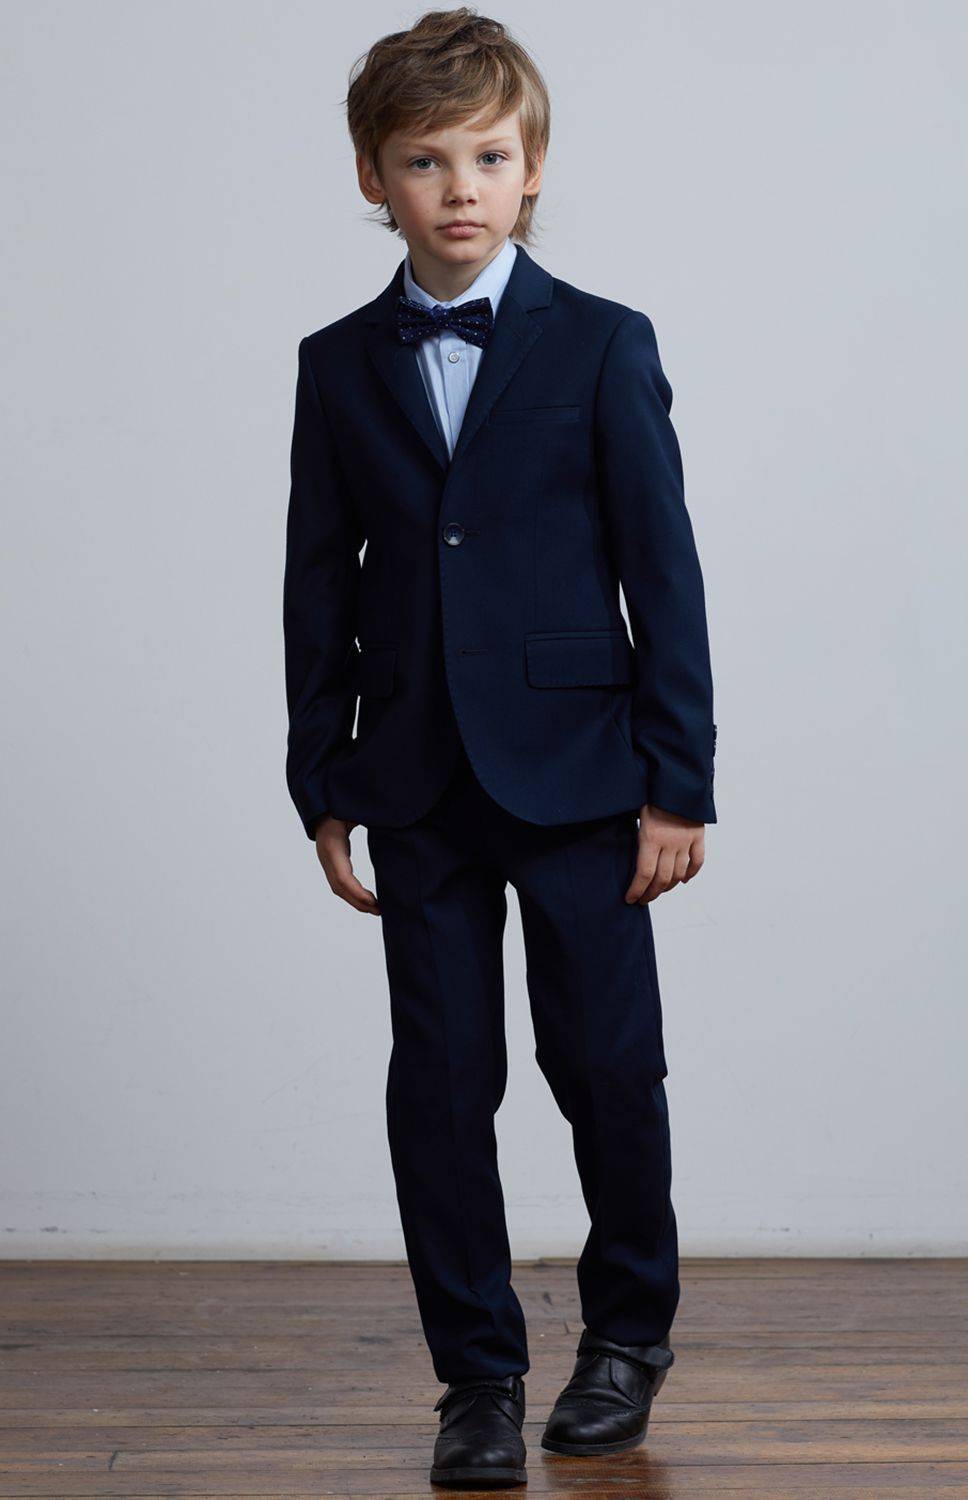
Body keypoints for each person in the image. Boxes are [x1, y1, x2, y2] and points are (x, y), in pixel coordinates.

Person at [282, 7, 717, 1488]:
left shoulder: (601, 343)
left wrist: (678, 779)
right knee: (441, 1079)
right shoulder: (339, 365)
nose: (458, 186)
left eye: (486, 157)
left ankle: (628, 1342)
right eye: (425, 160)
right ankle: (475, 1376)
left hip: (586, 776)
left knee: (608, 1066)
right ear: (374, 177)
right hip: (413, 778)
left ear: (531, 171)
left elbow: (664, 573)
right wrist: (320, 776)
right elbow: (317, 580)